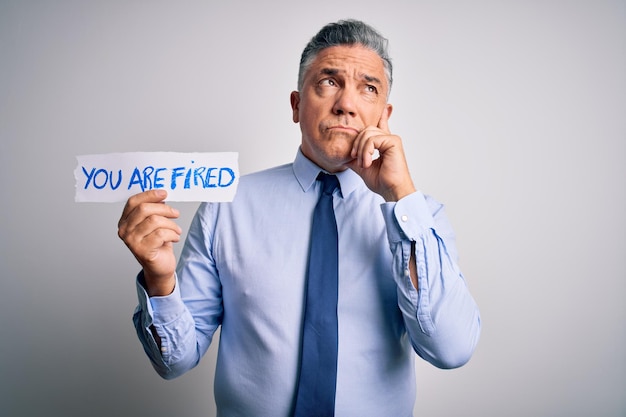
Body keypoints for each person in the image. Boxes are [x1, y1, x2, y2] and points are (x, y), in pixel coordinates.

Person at [118, 19, 481, 417]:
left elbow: (451, 349)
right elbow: (175, 361)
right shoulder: (227, 208)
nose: (346, 103)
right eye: (328, 82)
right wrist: (159, 279)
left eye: (368, 88)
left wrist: (400, 197)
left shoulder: (419, 217)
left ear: (384, 114)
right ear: (296, 105)